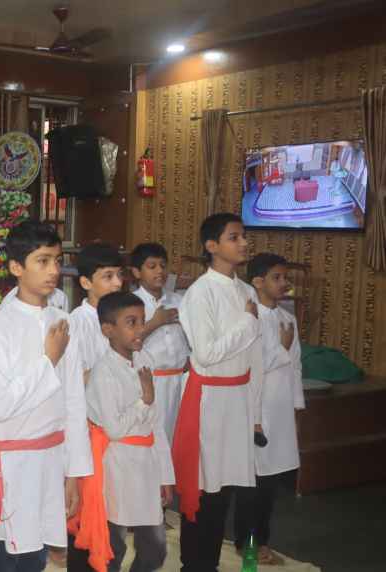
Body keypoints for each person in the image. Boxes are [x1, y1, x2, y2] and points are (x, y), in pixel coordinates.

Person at [0, 220, 90, 572]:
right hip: (10, 463)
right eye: (42, 261)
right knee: (3, 559)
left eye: (57, 261)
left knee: (35, 558)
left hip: (50, 460)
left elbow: (74, 403)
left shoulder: (63, 322)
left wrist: (74, 473)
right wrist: (48, 360)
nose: (53, 271)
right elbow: (2, 406)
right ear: (17, 268)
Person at [173, 213, 264, 572]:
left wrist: (255, 414)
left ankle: (207, 563)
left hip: (238, 398)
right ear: (212, 246)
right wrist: (248, 323)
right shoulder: (201, 293)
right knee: (204, 489)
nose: (243, 243)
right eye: (234, 237)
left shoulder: (247, 291)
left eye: (244, 236)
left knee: (227, 487)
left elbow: (254, 357)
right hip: (209, 399)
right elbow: (207, 353)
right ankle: (194, 564)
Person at [70, 291, 174, 572]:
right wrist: (144, 401)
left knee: (155, 549)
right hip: (116, 467)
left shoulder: (144, 361)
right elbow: (114, 429)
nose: (141, 328)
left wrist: (165, 474)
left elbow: (156, 425)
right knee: (112, 546)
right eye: (131, 322)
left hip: (146, 466)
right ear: (108, 330)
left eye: (142, 320)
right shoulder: (104, 372)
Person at [234, 253, 305, 566]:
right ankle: (248, 543)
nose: (284, 283)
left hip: (281, 409)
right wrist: (283, 348)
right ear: (258, 282)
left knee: (271, 483)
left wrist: (296, 406)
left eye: (285, 277)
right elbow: (254, 364)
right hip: (258, 410)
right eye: (276, 277)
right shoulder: (250, 318)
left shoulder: (288, 318)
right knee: (254, 484)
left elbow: (295, 366)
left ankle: (262, 539)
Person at [130, 242, 191, 442]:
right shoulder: (130, 303)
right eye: (152, 266)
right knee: (154, 438)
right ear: (137, 272)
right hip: (151, 382)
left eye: (163, 266)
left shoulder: (179, 300)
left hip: (180, 380)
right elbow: (126, 343)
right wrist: (155, 323)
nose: (160, 271)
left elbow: (191, 337)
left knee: (178, 438)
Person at [68, 243, 124, 372]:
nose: (118, 283)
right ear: (86, 283)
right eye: (108, 276)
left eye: (120, 274)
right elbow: (75, 377)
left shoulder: (124, 316)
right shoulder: (76, 323)